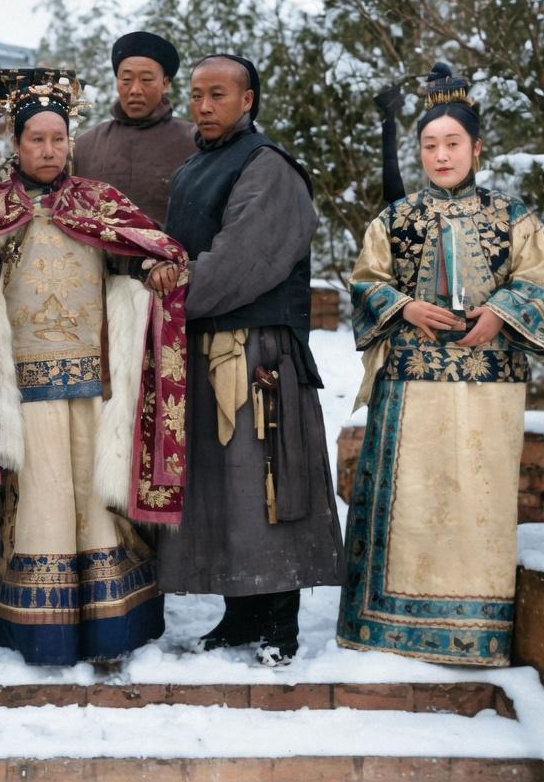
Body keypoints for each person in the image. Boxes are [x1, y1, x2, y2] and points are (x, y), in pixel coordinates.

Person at [0, 68, 188, 666]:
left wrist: (153, 272)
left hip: (96, 381)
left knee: (94, 495)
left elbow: (152, 252)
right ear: (16, 144)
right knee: (44, 497)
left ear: (70, 141)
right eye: (34, 140)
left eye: (57, 138)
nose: (47, 150)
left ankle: (111, 628)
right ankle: (41, 629)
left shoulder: (99, 203)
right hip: (25, 387)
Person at [336, 62, 544, 666]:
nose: (441, 155)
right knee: (409, 500)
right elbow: (365, 282)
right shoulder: (396, 218)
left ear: (477, 148)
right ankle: (384, 625)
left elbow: (540, 279)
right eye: (430, 145)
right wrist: (404, 307)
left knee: (477, 502)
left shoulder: (512, 216)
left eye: (453, 143)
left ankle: (478, 628)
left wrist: (502, 313)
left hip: (490, 387)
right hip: (410, 387)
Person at [156, 54, 345, 666]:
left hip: (259, 352)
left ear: (248, 101)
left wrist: (168, 294)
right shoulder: (195, 168)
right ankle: (239, 616)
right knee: (222, 488)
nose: (204, 105)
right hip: (205, 345)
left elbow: (243, 259)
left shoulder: (270, 169)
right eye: (196, 94)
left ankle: (279, 626)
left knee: (270, 485)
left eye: (218, 94)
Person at [72, 31, 195, 226]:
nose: (135, 90)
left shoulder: (192, 142)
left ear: (165, 84)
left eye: (146, 80)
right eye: (126, 80)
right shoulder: (86, 145)